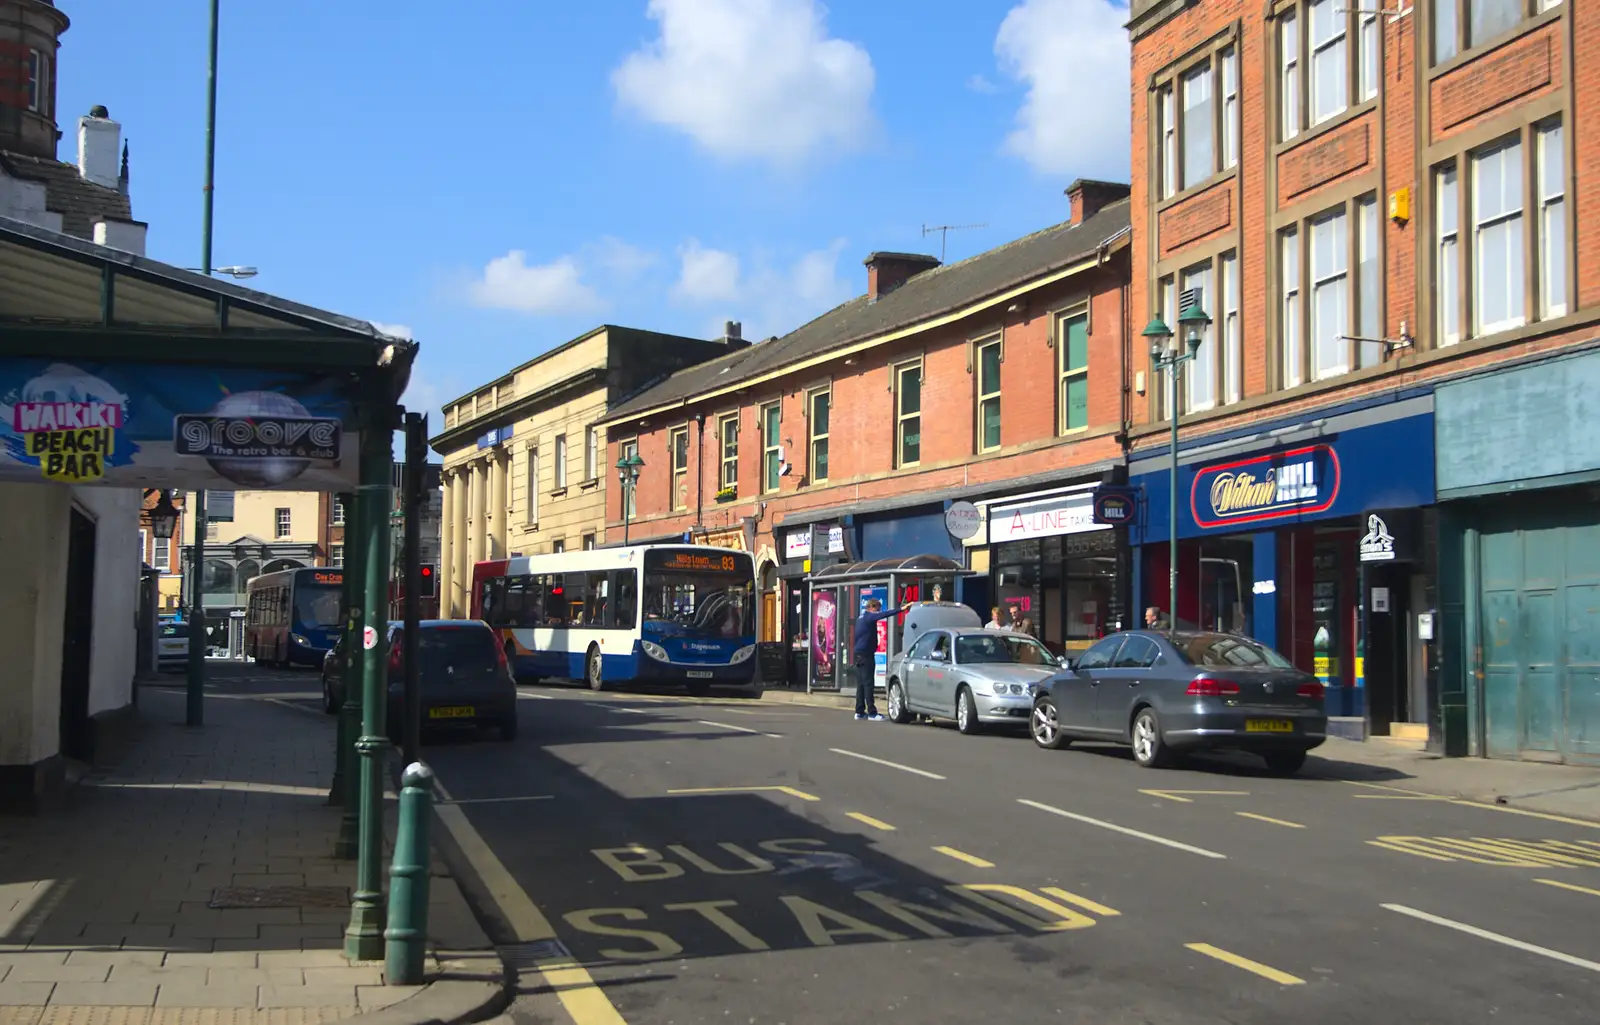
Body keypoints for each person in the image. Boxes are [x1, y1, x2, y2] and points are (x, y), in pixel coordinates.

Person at [851, 598, 901, 720]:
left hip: (858, 653)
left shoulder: (860, 618)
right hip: (866, 655)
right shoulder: (869, 617)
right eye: (877, 608)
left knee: (861, 684)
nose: (878, 611)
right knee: (868, 684)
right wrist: (900, 609)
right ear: (872, 607)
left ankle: (859, 711)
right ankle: (872, 712)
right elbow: (885, 614)